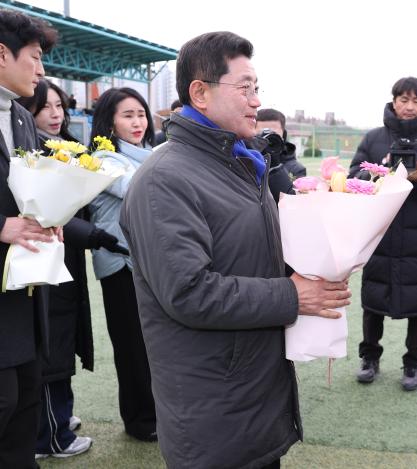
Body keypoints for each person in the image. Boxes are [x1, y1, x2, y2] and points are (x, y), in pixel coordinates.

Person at [119, 31, 351, 469]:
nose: (256, 101)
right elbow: (189, 292)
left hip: (253, 390)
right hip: (213, 406)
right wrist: (294, 295)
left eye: (257, 88)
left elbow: (249, 254)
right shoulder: (164, 179)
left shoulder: (242, 163)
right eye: (245, 88)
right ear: (200, 93)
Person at [18, 79, 124, 459]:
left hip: (66, 264)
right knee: (52, 350)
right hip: (45, 266)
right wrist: (95, 235)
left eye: (59, 106)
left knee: (63, 344)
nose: (56, 114)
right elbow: (47, 215)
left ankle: (58, 417)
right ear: (28, 111)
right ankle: (52, 435)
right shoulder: (31, 156)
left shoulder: (66, 151)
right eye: (45, 106)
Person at [349, 76, 417, 391]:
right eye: (404, 100)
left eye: (416, 101)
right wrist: (379, 171)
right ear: (394, 101)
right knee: (373, 302)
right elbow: (355, 177)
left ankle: (413, 364)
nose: (409, 106)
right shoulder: (374, 139)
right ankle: (369, 358)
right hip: (380, 234)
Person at [0, 9, 59, 468]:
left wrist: (52, 216)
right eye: (35, 57)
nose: (41, 71)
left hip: (23, 292)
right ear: (2, 54)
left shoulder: (21, 116)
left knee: (24, 402)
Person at [88, 87, 158, 442]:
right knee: (131, 346)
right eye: (127, 115)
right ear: (110, 122)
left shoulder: (152, 154)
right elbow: (138, 190)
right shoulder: (104, 158)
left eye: (141, 114)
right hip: (120, 265)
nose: (137, 122)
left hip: (149, 266)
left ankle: (158, 413)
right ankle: (140, 419)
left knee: (154, 345)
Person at [256, 108, 306, 178]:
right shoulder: (244, 162)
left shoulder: (296, 169)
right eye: (262, 134)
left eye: (273, 134)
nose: (268, 139)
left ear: (284, 135)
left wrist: (275, 167)